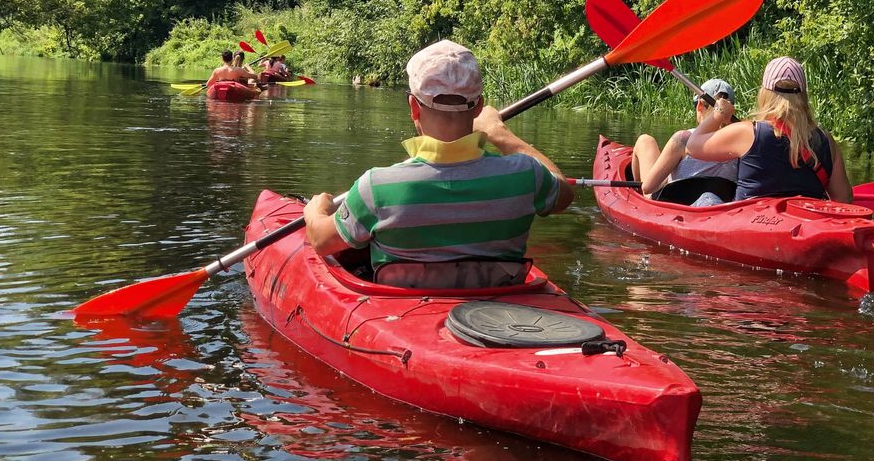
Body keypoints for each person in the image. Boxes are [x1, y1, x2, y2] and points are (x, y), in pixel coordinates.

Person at [303, 39, 575, 289]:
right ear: (479, 106)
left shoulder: (375, 186)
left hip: (404, 315)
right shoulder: (527, 174)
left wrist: (316, 210)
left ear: (413, 107)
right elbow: (563, 192)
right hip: (501, 307)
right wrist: (501, 135)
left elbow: (321, 241)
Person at [686, 57, 852, 203]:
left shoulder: (748, 132)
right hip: (803, 227)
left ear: (765, 93)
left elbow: (692, 146)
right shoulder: (826, 140)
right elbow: (843, 199)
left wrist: (718, 114)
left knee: (707, 198)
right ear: (802, 94)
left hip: (750, 229)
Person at [630, 78, 739, 206]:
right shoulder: (742, 143)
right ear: (731, 110)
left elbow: (647, 188)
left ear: (699, 105)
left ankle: (633, 193)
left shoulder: (683, 139)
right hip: (718, 203)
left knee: (645, 140)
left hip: (673, 204)